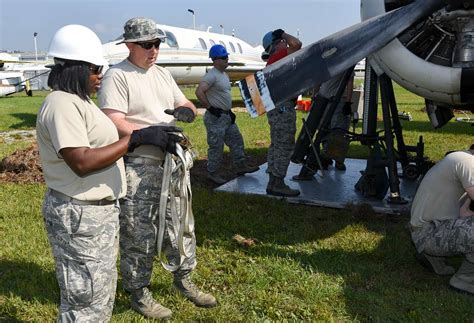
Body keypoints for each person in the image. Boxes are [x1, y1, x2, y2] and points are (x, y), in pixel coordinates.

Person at [37, 24, 180, 322]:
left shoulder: (79, 102)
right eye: (94, 68)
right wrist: (135, 140)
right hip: (79, 213)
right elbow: (82, 161)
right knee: (85, 301)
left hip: (96, 213)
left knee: (98, 296)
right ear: (75, 68)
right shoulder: (61, 104)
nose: (100, 73)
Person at [98, 17, 216, 320]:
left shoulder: (162, 75)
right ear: (129, 45)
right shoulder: (118, 76)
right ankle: (138, 291)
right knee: (139, 230)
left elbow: (185, 104)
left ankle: (184, 279)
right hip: (139, 164)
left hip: (171, 163)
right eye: (147, 44)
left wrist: (186, 112)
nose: (154, 50)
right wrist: (144, 134)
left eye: (157, 43)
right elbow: (113, 118)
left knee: (179, 224)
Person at [410, 145, 474, 294]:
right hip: (428, 234)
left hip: (428, 231)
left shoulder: (462, 159)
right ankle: (465, 279)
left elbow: (465, 212)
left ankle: (434, 259)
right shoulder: (468, 162)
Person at [195, 44, 259, 184]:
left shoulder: (224, 74)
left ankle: (240, 167)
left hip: (226, 117)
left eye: (226, 57)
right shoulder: (211, 75)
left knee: (236, 140)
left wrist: (228, 112)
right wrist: (211, 108)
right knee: (216, 146)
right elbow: (199, 92)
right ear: (215, 59)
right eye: (223, 57)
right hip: (215, 118)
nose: (226, 59)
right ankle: (213, 173)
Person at [262, 28, 302, 196]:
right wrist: (284, 33)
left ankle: (273, 182)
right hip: (283, 107)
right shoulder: (278, 57)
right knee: (284, 144)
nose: (285, 44)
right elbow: (297, 44)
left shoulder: (271, 61)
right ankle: (278, 183)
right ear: (275, 45)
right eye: (281, 42)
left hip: (276, 107)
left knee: (276, 143)